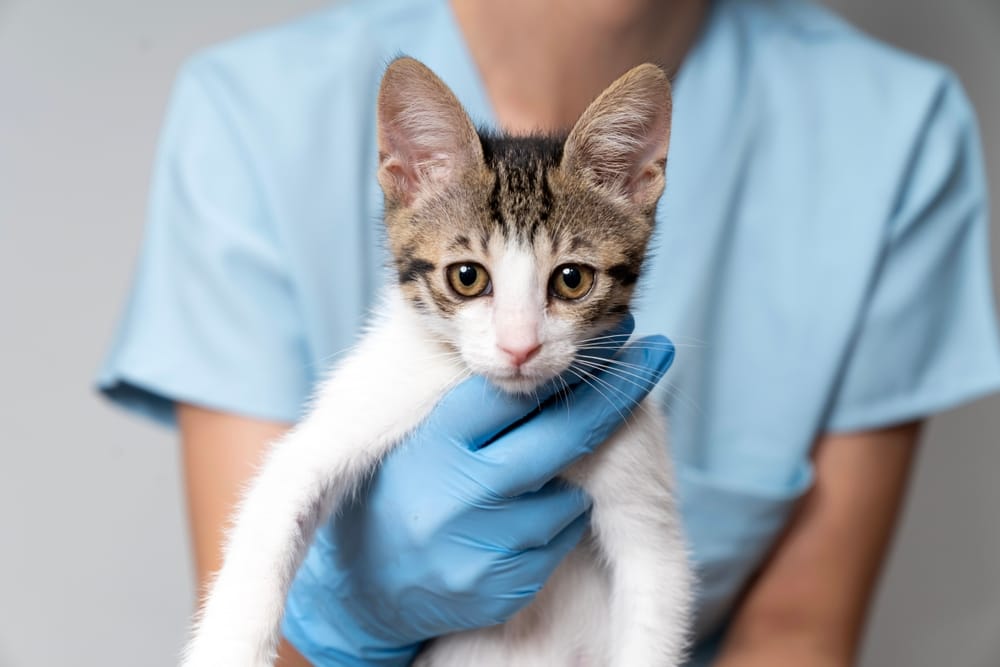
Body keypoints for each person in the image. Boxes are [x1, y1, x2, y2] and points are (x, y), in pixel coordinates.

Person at [98, 0, 1000, 665]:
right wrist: (341, 619)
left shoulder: (893, 128)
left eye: (570, 281)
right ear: (404, 177)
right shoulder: (249, 111)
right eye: (469, 279)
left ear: (643, 179)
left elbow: (797, 628)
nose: (521, 341)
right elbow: (280, 519)